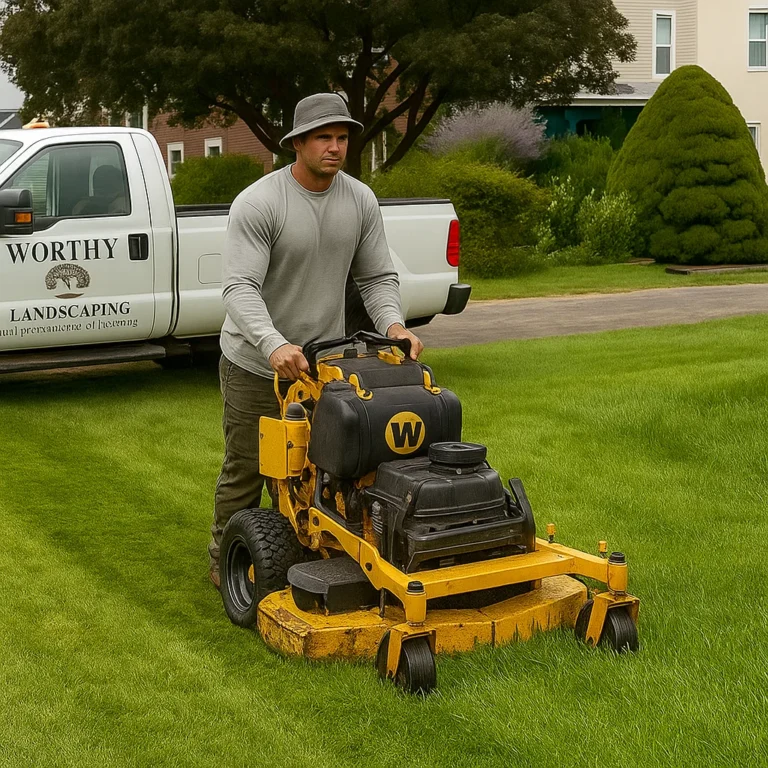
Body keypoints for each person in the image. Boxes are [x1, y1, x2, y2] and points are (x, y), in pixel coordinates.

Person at [208, 92, 423, 588]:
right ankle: (227, 559)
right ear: (298, 144)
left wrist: (393, 325)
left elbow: (376, 277)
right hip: (256, 363)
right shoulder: (262, 203)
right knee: (249, 465)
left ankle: (308, 551)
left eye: (342, 138)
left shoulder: (359, 199)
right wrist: (273, 343)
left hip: (323, 366)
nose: (335, 147)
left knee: (323, 465)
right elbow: (239, 287)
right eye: (323, 137)